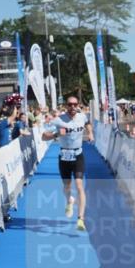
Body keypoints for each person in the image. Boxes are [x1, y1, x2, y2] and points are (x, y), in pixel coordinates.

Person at [42, 96, 93, 231]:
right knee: (66, 186)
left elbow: (88, 123)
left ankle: (80, 219)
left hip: (78, 155)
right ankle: (69, 200)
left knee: (79, 185)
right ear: (66, 105)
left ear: (78, 105)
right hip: (64, 157)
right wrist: (56, 135)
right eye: (70, 104)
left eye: (75, 104)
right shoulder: (59, 120)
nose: (72, 107)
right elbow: (43, 136)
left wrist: (90, 133)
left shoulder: (82, 117)